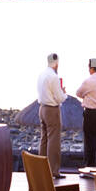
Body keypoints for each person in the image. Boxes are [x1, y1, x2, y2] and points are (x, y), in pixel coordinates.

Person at [36, 52, 67, 180]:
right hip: (51, 109)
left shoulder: (42, 74)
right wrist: (64, 93)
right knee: (54, 140)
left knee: (44, 140)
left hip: (42, 108)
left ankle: (41, 169)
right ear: (56, 63)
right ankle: (54, 171)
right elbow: (59, 98)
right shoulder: (53, 77)